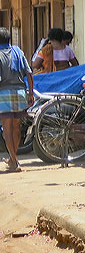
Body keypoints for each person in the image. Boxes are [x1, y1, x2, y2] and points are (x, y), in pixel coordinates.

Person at [0, 26, 34, 172]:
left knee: (6, 129)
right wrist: (30, 93)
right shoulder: (18, 52)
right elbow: (29, 73)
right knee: (16, 128)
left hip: (3, 95)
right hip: (20, 93)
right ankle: (13, 158)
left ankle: (15, 161)